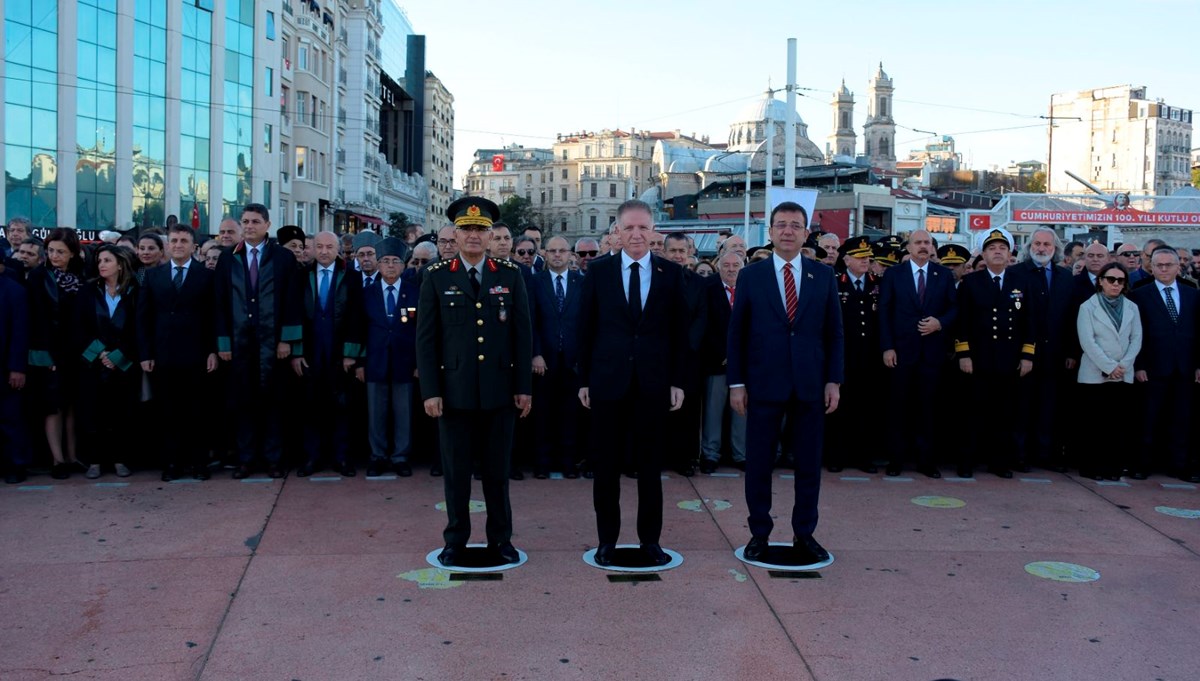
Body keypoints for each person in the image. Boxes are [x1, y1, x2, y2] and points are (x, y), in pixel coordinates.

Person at [417, 197, 532, 567]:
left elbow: (522, 336)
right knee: (456, 476)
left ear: (490, 235)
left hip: (499, 392)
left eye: (480, 230)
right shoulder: (436, 275)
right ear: (454, 233)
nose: (473, 236)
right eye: (466, 230)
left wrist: (523, 386)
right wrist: (431, 391)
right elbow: (426, 339)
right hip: (454, 393)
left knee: (497, 475)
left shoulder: (509, 274)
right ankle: (456, 541)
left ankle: (501, 540)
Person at [727, 201, 843, 565]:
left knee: (808, 464)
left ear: (806, 232)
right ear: (771, 231)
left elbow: (835, 334)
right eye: (781, 225)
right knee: (759, 463)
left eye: (795, 225)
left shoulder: (822, 276)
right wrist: (737, 384)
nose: (788, 231)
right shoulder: (752, 275)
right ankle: (759, 533)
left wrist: (833, 381)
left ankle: (804, 533)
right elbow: (737, 334)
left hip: (810, 385)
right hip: (763, 383)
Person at [577, 199, 687, 567]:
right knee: (605, 468)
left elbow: (679, 333)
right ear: (617, 232)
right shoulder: (598, 271)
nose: (637, 235)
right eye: (629, 228)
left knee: (650, 468)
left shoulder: (671, 273)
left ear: (653, 231)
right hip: (608, 383)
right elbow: (586, 329)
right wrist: (584, 380)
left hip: (654, 384)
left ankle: (650, 542)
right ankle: (607, 541)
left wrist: (677, 381)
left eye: (643, 228)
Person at [214, 204, 298, 479]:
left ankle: (274, 459)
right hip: (239, 344)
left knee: (273, 402)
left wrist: (286, 340)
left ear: (267, 225)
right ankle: (246, 460)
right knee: (243, 402)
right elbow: (221, 303)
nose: (249, 226)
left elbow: (291, 302)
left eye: (255, 221)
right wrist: (224, 343)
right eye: (245, 221)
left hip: (272, 343)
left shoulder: (283, 258)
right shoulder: (229, 258)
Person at [137, 224, 218, 481]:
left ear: (193, 246)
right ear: (168, 245)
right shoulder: (153, 276)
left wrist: (213, 351)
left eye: (183, 240)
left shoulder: (206, 276)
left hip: (197, 354)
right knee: (168, 412)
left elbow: (213, 317)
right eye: (174, 240)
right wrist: (145, 353)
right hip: (164, 354)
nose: (178, 245)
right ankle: (172, 463)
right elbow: (143, 318)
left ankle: (199, 463)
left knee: (198, 411)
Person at [954, 228, 1034, 478]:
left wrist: (1027, 355)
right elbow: (962, 321)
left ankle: (999, 462)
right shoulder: (971, 283)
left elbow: (1030, 322)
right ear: (983, 255)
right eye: (992, 248)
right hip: (978, 358)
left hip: (1009, 360)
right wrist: (963, 353)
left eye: (1002, 248)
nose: (997, 252)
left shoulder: (1021, 282)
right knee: (972, 413)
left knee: (1005, 414)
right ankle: (966, 461)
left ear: (1010, 254)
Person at [879, 229, 957, 477]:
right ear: (909, 247)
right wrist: (887, 346)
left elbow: (955, 308)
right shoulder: (894, 274)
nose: (924, 246)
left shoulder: (943, 275)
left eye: (928, 242)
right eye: (918, 242)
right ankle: (896, 460)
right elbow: (884, 312)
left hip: (932, 353)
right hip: (901, 352)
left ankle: (926, 461)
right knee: (898, 407)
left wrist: (940, 322)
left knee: (928, 409)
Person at [288, 231, 359, 478]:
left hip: (339, 352)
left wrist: (351, 353)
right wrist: (296, 352)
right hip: (310, 351)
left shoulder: (351, 276)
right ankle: (312, 457)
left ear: (338, 249)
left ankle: (341, 457)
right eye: (319, 246)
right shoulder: (301, 275)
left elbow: (355, 317)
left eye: (330, 246)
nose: (324, 251)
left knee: (342, 406)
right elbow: (293, 312)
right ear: (313, 249)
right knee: (311, 406)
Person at [350, 237, 420, 477]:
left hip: (405, 363)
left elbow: (421, 331)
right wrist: (359, 362)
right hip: (374, 362)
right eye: (386, 261)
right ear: (378, 265)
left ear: (403, 265)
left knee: (404, 413)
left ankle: (400, 456)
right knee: (376, 412)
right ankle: (377, 455)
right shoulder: (365, 294)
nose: (390, 266)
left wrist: (419, 364)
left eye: (396, 261)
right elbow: (357, 330)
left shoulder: (414, 293)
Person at [1129, 247, 1200, 482]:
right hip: (1152, 368)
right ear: (1152, 267)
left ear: (1178, 267)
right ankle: (1143, 464)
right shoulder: (1140, 294)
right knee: (1148, 418)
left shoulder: (1192, 294)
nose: (1163, 269)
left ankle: (1178, 466)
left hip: (1185, 368)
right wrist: (1139, 365)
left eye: (1168, 265)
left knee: (1182, 420)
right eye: (1159, 265)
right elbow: (1135, 334)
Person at [1013, 228, 1077, 472]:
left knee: (1049, 407)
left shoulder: (1065, 276)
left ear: (1055, 249)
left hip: (1056, 355)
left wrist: (1071, 352)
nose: (1041, 248)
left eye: (1046, 245)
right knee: (1022, 407)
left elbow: (1071, 317)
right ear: (1029, 246)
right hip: (1024, 355)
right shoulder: (1016, 274)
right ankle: (1020, 454)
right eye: (1037, 244)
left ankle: (1044, 454)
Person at [76, 245, 140, 479]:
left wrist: (119, 356)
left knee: (121, 413)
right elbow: (79, 327)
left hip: (124, 364)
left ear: (120, 264)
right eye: (100, 260)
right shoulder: (88, 291)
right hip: (93, 363)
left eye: (107, 260)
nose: (101, 264)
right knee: (93, 412)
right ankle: (94, 461)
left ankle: (120, 459)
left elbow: (138, 328)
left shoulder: (134, 292)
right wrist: (100, 353)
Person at [27, 228, 86, 479]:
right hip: (50, 351)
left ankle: (73, 456)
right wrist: (47, 355)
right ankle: (57, 460)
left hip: (77, 351)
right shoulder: (39, 277)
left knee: (73, 405)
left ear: (72, 253)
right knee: (53, 406)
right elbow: (36, 318)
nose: (54, 256)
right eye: (50, 250)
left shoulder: (82, 276)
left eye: (60, 252)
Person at [1075, 263, 1141, 480]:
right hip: (1095, 374)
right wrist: (1109, 367)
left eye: (1120, 280)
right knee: (1095, 425)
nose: (1115, 284)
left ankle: (1113, 468)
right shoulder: (1087, 307)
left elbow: (1136, 339)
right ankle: (1091, 467)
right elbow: (1087, 341)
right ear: (1100, 281)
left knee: (1117, 425)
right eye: (1111, 279)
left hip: (1123, 373)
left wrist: (1124, 365)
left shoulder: (1132, 307)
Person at [529, 236, 584, 478]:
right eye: (552, 251)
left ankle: (568, 463)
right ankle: (542, 464)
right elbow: (531, 321)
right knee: (542, 414)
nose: (558, 255)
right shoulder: (534, 282)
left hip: (573, 361)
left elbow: (588, 322)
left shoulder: (582, 283)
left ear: (571, 254)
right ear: (545, 253)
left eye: (562, 251)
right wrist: (536, 353)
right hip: (545, 360)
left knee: (571, 414)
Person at [826, 236, 881, 473]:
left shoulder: (877, 283)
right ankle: (837, 455)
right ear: (846, 259)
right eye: (859, 257)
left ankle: (864, 456)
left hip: (869, 355)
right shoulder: (836, 282)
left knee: (867, 407)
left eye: (867, 257)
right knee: (840, 407)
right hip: (843, 355)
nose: (865, 261)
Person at [662, 232, 708, 477]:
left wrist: (685, 346)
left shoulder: (699, 283)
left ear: (689, 252)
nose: (678, 255)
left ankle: (686, 459)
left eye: (682, 251)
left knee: (688, 411)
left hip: (689, 358)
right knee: (657, 409)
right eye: (673, 251)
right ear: (665, 252)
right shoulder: (654, 279)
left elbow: (702, 317)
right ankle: (655, 456)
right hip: (658, 356)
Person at [699, 250, 746, 474]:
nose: (731, 269)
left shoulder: (750, 288)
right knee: (712, 410)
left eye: (735, 265)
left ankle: (741, 454)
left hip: (745, 364)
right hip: (715, 361)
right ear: (719, 268)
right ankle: (710, 454)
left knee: (742, 410)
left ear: (742, 266)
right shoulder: (707, 288)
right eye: (726, 265)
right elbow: (704, 325)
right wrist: (724, 354)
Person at [0, 271, 29, 483]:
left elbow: (20, 332)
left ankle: (16, 465)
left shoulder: (15, 291)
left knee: (11, 419)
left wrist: (17, 368)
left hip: (7, 369)